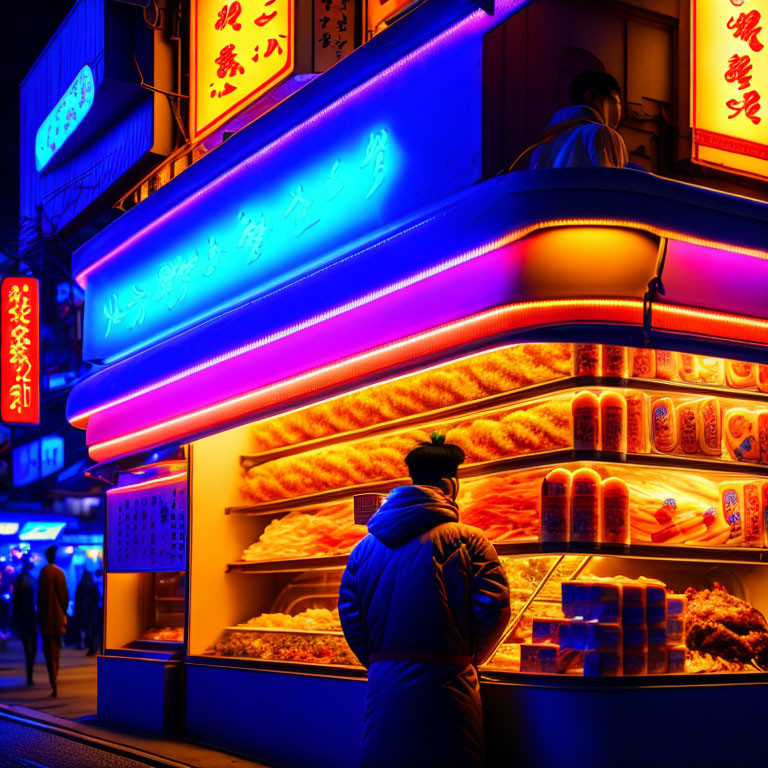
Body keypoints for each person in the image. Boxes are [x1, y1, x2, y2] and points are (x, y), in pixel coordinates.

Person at [339, 434, 510, 768]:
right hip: (449, 680)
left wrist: (379, 661)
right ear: (449, 484)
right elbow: (493, 607)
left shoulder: (364, 548)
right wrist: (470, 656)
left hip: (384, 680)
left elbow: (350, 614)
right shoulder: (469, 540)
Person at [521, 70, 629, 170]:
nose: (619, 111)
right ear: (592, 97)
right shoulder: (601, 133)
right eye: (615, 101)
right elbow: (612, 185)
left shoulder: (543, 144)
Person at [37, 546, 69, 697]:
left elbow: (39, 597)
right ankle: (54, 680)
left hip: (44, 620)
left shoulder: (43, 573)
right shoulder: (58, 573)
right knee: (55, 650)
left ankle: (53, 680)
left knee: (48, 651)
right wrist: (63, 614)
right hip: (56, 619)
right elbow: (64, 597)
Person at [10, 558, 37, 686]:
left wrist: (14, 618)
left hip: (24, 617)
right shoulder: (31, 582)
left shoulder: (20, 582)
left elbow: (15, 603)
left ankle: (29, 675)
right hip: (31, 617)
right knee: (32, 647)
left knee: (28, 647)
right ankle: (29, 674)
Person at [74, 570, 99, 656]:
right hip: (91, 611)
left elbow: (78, 599)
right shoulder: (92, 586)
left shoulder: (81, 585)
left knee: (87, 629)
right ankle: (91, 647)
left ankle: (88, 646)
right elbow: (96, 598)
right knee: (91, 630)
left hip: (85, 611)